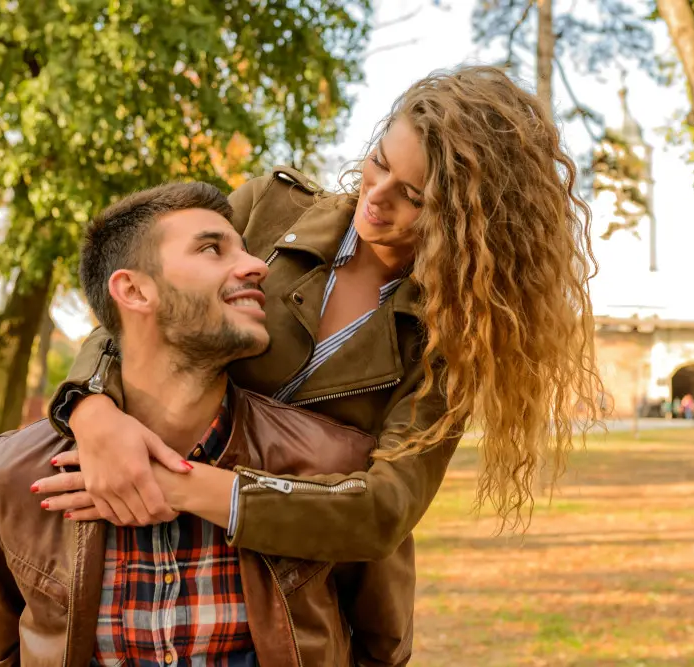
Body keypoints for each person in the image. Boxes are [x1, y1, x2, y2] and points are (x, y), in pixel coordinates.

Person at [43, 65, 604, 652]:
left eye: (414, 197)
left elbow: (383, 508)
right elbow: (138, 308)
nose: (376, 198)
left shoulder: (451, 343)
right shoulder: (267, 210)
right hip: (145, 554)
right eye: (381, 162)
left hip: (302, 602)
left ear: (472, 224)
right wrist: (90, 410)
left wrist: (183, 486)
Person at [0, 182, 396, 666]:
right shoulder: (8, 478)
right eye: (212, 249)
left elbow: (382, 650)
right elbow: (3, 652)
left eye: (245, 249)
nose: (256, 265)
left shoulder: (332, 465)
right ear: (133, 289)